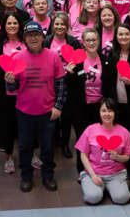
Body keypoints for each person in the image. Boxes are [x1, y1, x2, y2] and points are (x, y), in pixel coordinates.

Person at [6, 21, 66, 192]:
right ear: (25, 39)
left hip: (48, 112)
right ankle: (26, 176)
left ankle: (48, 175)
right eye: (29, 36)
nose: (33, 38)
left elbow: (61, 84)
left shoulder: (53, 56)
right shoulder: (17, 58)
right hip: (24, 111)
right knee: (25, 146)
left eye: (36, 35)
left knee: (47, 147)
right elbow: (12, 88)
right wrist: (9, 82)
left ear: (42, 37)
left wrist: (58, 106)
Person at [76, 97, 130, 205]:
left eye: (110, 111)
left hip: (116, 173)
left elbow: (127, 157)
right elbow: (83, 155)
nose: (107, 114)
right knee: (93, 198)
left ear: (115, 113)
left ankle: (110, 187)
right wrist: (93, 175)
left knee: (122, 198)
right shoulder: (90, 129)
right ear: (99, 112)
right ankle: (87, 180)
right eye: (104, 111)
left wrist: (117, 157)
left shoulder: (124, 132)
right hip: (94, 172)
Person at [43, 12, 83, 160]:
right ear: (53, 26)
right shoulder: (47, 41)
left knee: (67, 116)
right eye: (57, 24)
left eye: (62, 24)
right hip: (51, 85)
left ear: (67, 26)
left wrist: (73, 70)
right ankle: (54, 141)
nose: (59, 27)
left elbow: (80, 65)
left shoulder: (73, 42)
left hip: (69, 84)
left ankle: (65, 143)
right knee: (52, 115)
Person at [0, 11, 26, 173]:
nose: (12, 26)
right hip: (5, 94)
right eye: (9, 23)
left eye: (15, 23)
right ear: (4, 26)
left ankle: (31, 155)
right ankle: (9, 156)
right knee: (8, 125)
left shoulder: (26, 42)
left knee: (27, 125)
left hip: (25, 92)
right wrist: (4, 76)